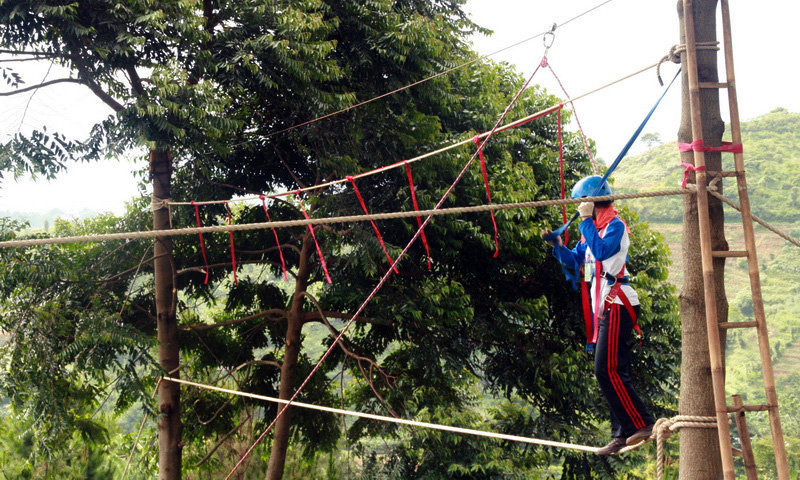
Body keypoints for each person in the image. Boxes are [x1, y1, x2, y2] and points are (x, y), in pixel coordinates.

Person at [541, 175, 655, 455]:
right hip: (605, 307)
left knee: (606, 368)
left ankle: (642, 423)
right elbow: (576, 260)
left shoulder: (615, 226)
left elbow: (604, 252)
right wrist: (557, 246)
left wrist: (584, 222)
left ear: (591, 203)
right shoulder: (589, 231)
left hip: (618, 301)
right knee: (609, 371)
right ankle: (622, 432)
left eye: (583, 204)